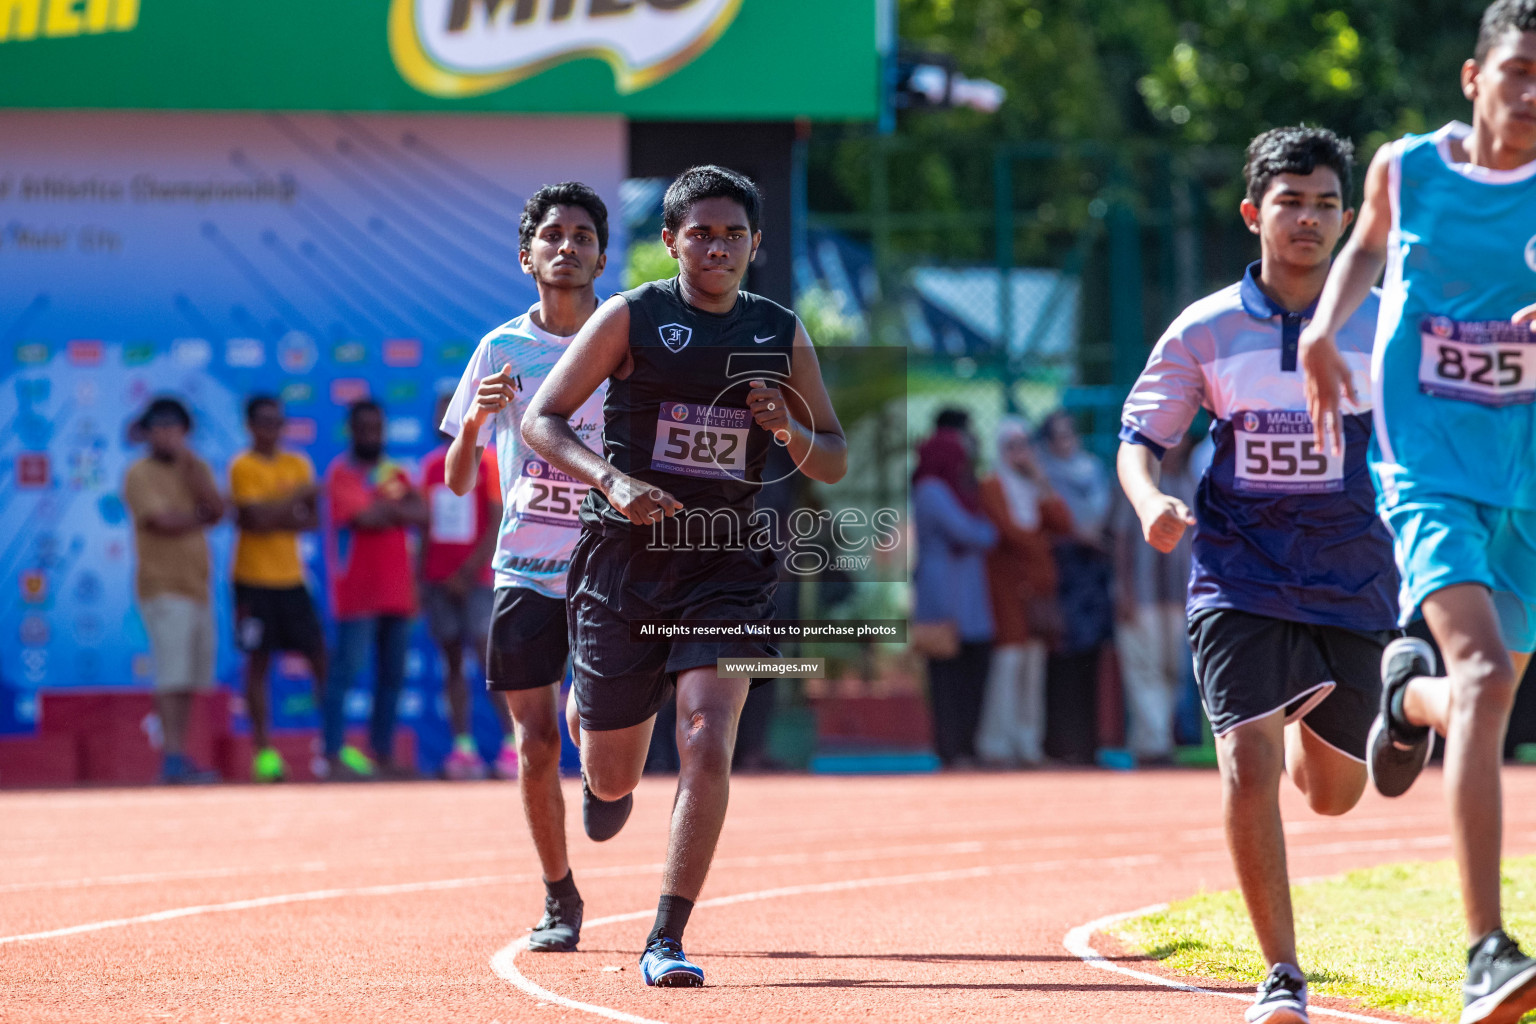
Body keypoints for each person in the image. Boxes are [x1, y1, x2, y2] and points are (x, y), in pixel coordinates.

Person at [522, 166, 846, 987]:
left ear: (756, 246)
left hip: (727, 563)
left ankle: (666, 935)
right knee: (611, 773)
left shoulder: (779, 330)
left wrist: (788, 428)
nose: (718, 247)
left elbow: (834, 457)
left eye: (734, 234)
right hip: (624, 561)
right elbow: (541, 419)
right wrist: (611, 479)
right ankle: (593, 724)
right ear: (669, 241)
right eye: (701, 233)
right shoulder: (630, 316)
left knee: (707, 733)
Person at [1120, 126, 1398, 1024]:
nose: (1308, 219)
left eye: (1325, 204)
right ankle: (1282, 974)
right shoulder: (1205, 328)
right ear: (1254, 213)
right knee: (1245, 763)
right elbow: (1141, 444)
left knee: (1334, 795)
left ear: (1349, 218)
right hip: (1238, 574)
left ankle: (1386, 715)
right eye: (1291, 202)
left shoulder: (1384, 321)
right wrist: (1149, 504)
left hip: (1356, 578)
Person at [1301, 5, 1536, 1019]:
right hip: (1426, 461)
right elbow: (1366, 248)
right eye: (1521, 73)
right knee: (1485, 673)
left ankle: (1405, 699)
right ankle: (1487, 948)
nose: (1533, 98)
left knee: (1486, 698)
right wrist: (1323, 327)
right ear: (1474, 76)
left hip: (1527, 470)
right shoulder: (1409, 168)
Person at [440, 181, 612, 950]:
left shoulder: (625, 342)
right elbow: (455, 478)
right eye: (553, 235)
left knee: (595, 732)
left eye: (582, 234)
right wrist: (476, 417)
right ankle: (558, 897)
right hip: (525, 568)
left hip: (612, 564)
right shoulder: (501, 348)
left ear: (602, 254)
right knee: (535, 742)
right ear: (526, 256)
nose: (567, 245)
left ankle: (601, 753)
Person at [323, 399, 428, 780]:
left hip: (398, 594)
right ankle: (331, 756)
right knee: (346, 675)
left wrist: (388, 508)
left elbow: (421, 514)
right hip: (358, 595)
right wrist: (393, 508)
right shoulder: (341, 473)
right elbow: (364, 518)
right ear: (351, 430)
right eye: (364, 427)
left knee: (391, 679)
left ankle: (382, 756)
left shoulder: (392, 471)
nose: (372, 435)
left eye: (377, 427)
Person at [122, 397, 224, 784]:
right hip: (162, 586)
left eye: (175, 428)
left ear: (185, 432)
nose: (167, 435)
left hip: (196, 586)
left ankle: (179, 756)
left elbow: (216, 511)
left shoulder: (193, 468)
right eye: (159, 428)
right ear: (146, 432)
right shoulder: (139, 472)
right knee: (171, 675)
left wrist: (195, 475)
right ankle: (171, 758)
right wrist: (199, 515)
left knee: (189, 679)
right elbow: (161, 521)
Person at [229, 396, 327, 783]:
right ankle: (264, 753)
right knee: (258, 663)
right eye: (264, 422)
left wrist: (275, 513)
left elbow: (310, 520)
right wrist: (294, 501)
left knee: (320, 659)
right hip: (252, 580)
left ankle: (328, 745)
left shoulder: (297, 463)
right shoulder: (242, 466)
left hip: (292, 579)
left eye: (277, 422)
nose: (272, 429)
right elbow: (254, 520)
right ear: (250, 426)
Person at [420, 391, 508, 781]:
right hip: (440, 582)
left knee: (489, 660)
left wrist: (470, 570)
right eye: (442, 412)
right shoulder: (428, 467)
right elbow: (425, 527)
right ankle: (463, 748)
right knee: (453, 663)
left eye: (453, 411)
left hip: (477, 581)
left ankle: (511, 745)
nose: (447, 419)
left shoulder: (488, 463)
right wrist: (424, 577)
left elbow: (496, 521)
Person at [975, 416, 1069, 767]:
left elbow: (1063, 522)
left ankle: (1028, 745)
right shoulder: (991, 485)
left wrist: (1042, 482)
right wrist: (1040, 547)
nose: (1020, 453)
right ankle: (996, 744)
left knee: (1033, 668)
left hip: (1039, 595)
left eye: (1024, 445)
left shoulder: (1033, 488)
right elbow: (1008, 532)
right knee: (1009, 664)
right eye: (1012, 446)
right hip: (1007, 591)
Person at [911, 408, 998, 768]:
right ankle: (950, 748)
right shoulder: (931, 488)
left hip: (970, 593)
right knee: (947, 676)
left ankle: (968, 744)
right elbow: (970, 531)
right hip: (943, 592)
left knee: (974, 672)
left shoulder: (964, 487)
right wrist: (987, 530)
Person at [1112, 430, 1199, 764]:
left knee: (1173, 670)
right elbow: (1120, 541)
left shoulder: (1189, 483)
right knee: (1144, 668)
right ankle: (1152, 744)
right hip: (1143, 593)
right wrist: (1124, 592)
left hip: (1180, 595)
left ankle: (1161, 738)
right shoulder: (1137, 487)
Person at [1037, 410, 1114, 763]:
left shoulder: (1094, 470)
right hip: (1062, 575)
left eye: (1070, 435)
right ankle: (1060, 744)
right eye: (1059, 437)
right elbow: (1054, 521)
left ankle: (1087, 745)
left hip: (1092, 578)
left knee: (1089, 659)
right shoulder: (1042, 475)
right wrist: (1077, 534)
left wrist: (1094, 536)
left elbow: (1105, 516)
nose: (1066, 443)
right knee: (1061, 660)